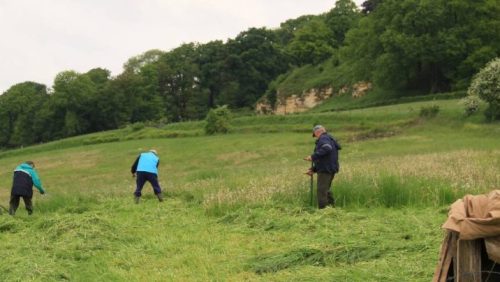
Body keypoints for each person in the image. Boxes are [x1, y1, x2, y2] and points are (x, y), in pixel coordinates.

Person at [304, 125, 341, 209]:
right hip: (329, 168)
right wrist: (313, 169)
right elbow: (325, 159)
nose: (315, 137)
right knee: (326, 190)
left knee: (321, 191)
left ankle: (323, 212)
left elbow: (327, 148)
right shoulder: (330, 139)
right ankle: (331, 209)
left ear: (318, 132)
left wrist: (313, 157)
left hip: (325, 170)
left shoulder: (323, 138)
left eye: (315, 135)